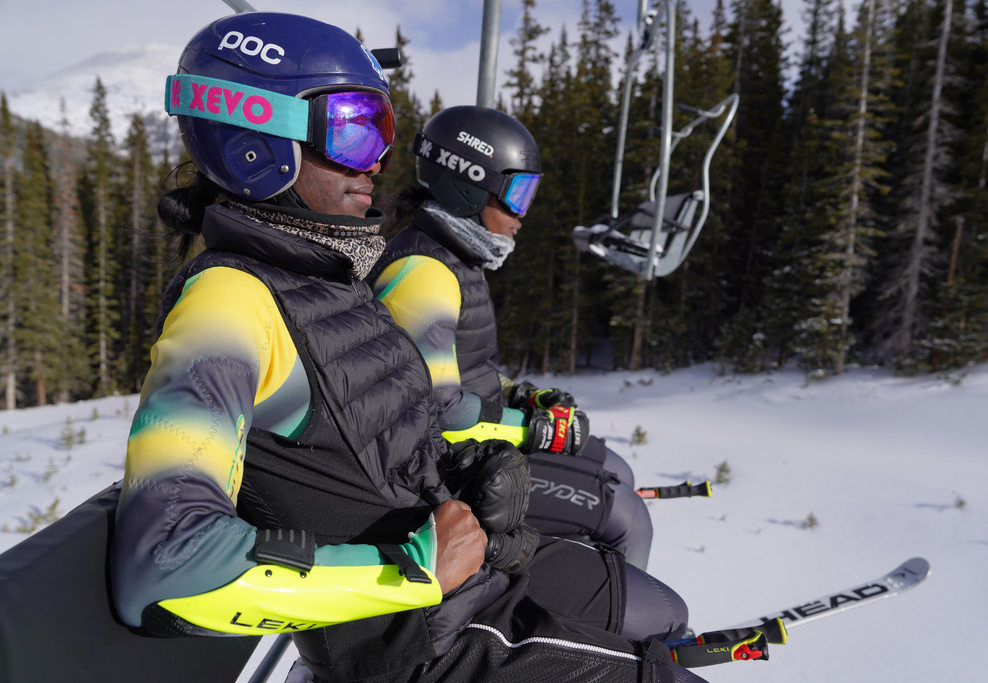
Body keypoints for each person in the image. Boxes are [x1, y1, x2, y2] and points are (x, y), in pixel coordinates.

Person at [109, 11, 726, 683]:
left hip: (464, 597)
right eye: (353, 129)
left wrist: (472, 476)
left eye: (384, 131)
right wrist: (411, 568)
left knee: (665, 615)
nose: (376, 159)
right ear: (256, 142)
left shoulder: (327, 278)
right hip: (417, 646)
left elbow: (376, 447)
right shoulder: (230, 305)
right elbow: (163, 564)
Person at [370, 106, 654, 570]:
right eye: (516, 195)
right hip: (443, 470)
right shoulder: (425, 272)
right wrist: (532, 428)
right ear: (468, 185)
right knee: (627, 517)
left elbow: (466, 371)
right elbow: (439, 412)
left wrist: (522, 395)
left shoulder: (458, 259)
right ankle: (609, 625)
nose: (522, 214)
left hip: (479, 450)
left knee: (616, 470)